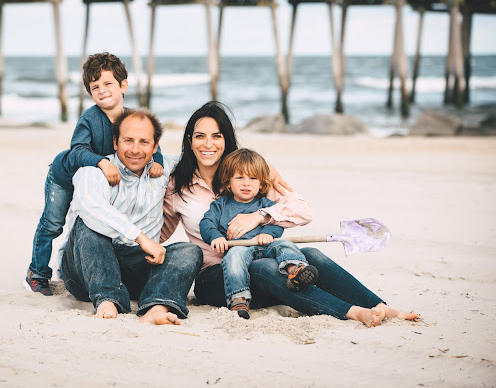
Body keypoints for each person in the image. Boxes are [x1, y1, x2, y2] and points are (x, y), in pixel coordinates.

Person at [162, 101, 421, 327]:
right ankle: (351, 312)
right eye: (200, 136)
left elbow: (304, 210)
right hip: (218, 279)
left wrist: (260, 216)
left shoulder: (249, 175)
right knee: (266, 268)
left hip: (264, 262)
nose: (208, 144)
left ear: (226, 140)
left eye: (216, 136)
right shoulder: (177, 185)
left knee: (310, 255)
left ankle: (380, 306)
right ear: (190, 140)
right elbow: (159, 231)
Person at [24, 52, 164, 296]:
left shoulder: (132, 118)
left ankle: (70, 263)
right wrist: (102, 162)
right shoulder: (89, 119)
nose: (102, 90)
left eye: (108, 83)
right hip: (64, 176)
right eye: (95, 87)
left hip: (95, 180)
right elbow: (78, 150)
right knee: (53, 224)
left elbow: (149, 138)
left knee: (89, 222)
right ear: (90, 94)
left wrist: (158, 161)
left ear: (123, 86)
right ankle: (37, 272)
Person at [60, 108, 202, 325]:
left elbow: (212, 163)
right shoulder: (94, 170)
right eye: (128, 141)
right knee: (88, 224)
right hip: (88, 268)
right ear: (115, 142)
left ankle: (156, 307)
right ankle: (108, 300)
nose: (135, 150)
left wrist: (262, 177)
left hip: (139, 266)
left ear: (155, 146)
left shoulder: (165, 169)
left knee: (189, 251)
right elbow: (90, 205)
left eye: (144, 142)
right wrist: (141, 238)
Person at [199, 148, 318, 319]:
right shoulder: (220, 205)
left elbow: (276, 223)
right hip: (239, 247)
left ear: (261, 184)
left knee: (285, 245)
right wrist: (215, 237)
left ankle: (295, 270)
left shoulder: (266, 204)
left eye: (253, 178)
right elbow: (206, 223)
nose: (246, 183)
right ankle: (238, 298)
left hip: (264, 246)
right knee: (233, 259)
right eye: (240, 178)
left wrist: (269, 233)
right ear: (228, 183)